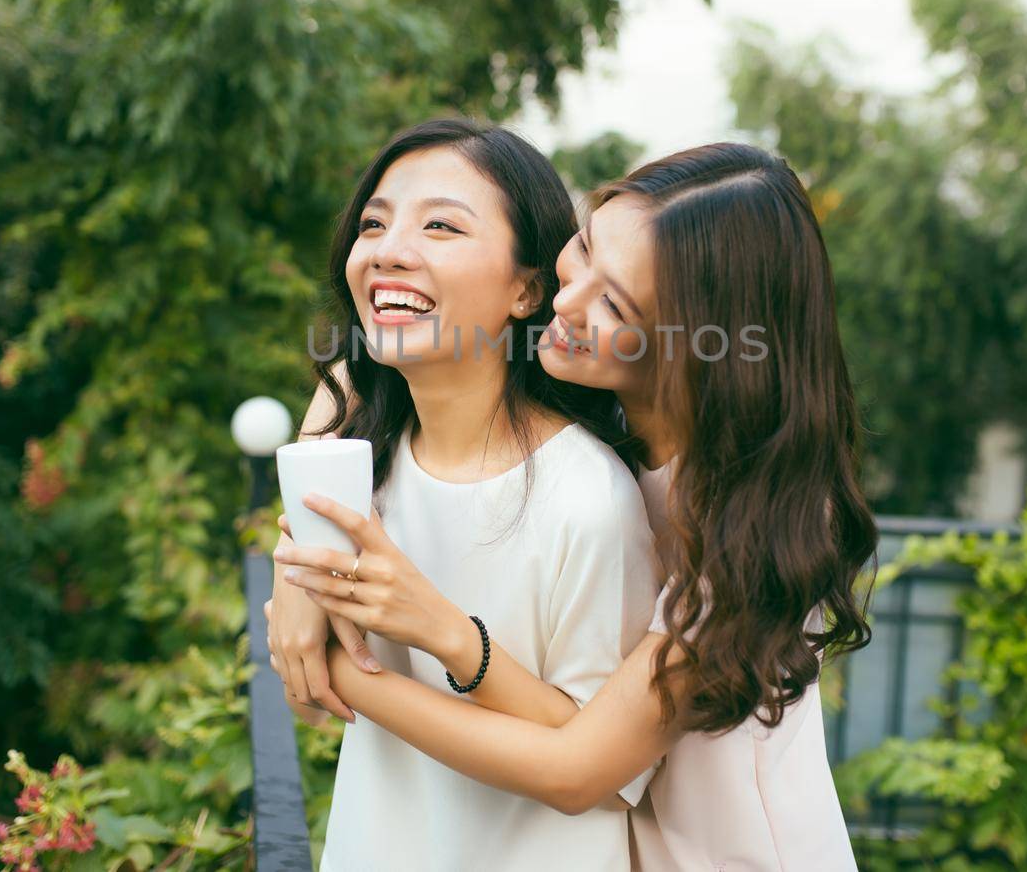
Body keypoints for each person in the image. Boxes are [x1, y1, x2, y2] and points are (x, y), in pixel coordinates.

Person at [272, 142, 877, 870]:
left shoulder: (749, 525)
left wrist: (346, 667)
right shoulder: (611, 406)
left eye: (614, 302)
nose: (566, 303)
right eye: (581, 250)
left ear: (698, 346)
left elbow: (579, 769)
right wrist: (303, 565)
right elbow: (359, 366)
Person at [270, 118, 660, 872]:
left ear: (527, 290)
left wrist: (431, 635)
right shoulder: (361, 460)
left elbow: (608, 776)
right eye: (374, 223)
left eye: (442, 226)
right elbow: (303, 695)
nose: (388, 249)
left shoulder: (587, 501)